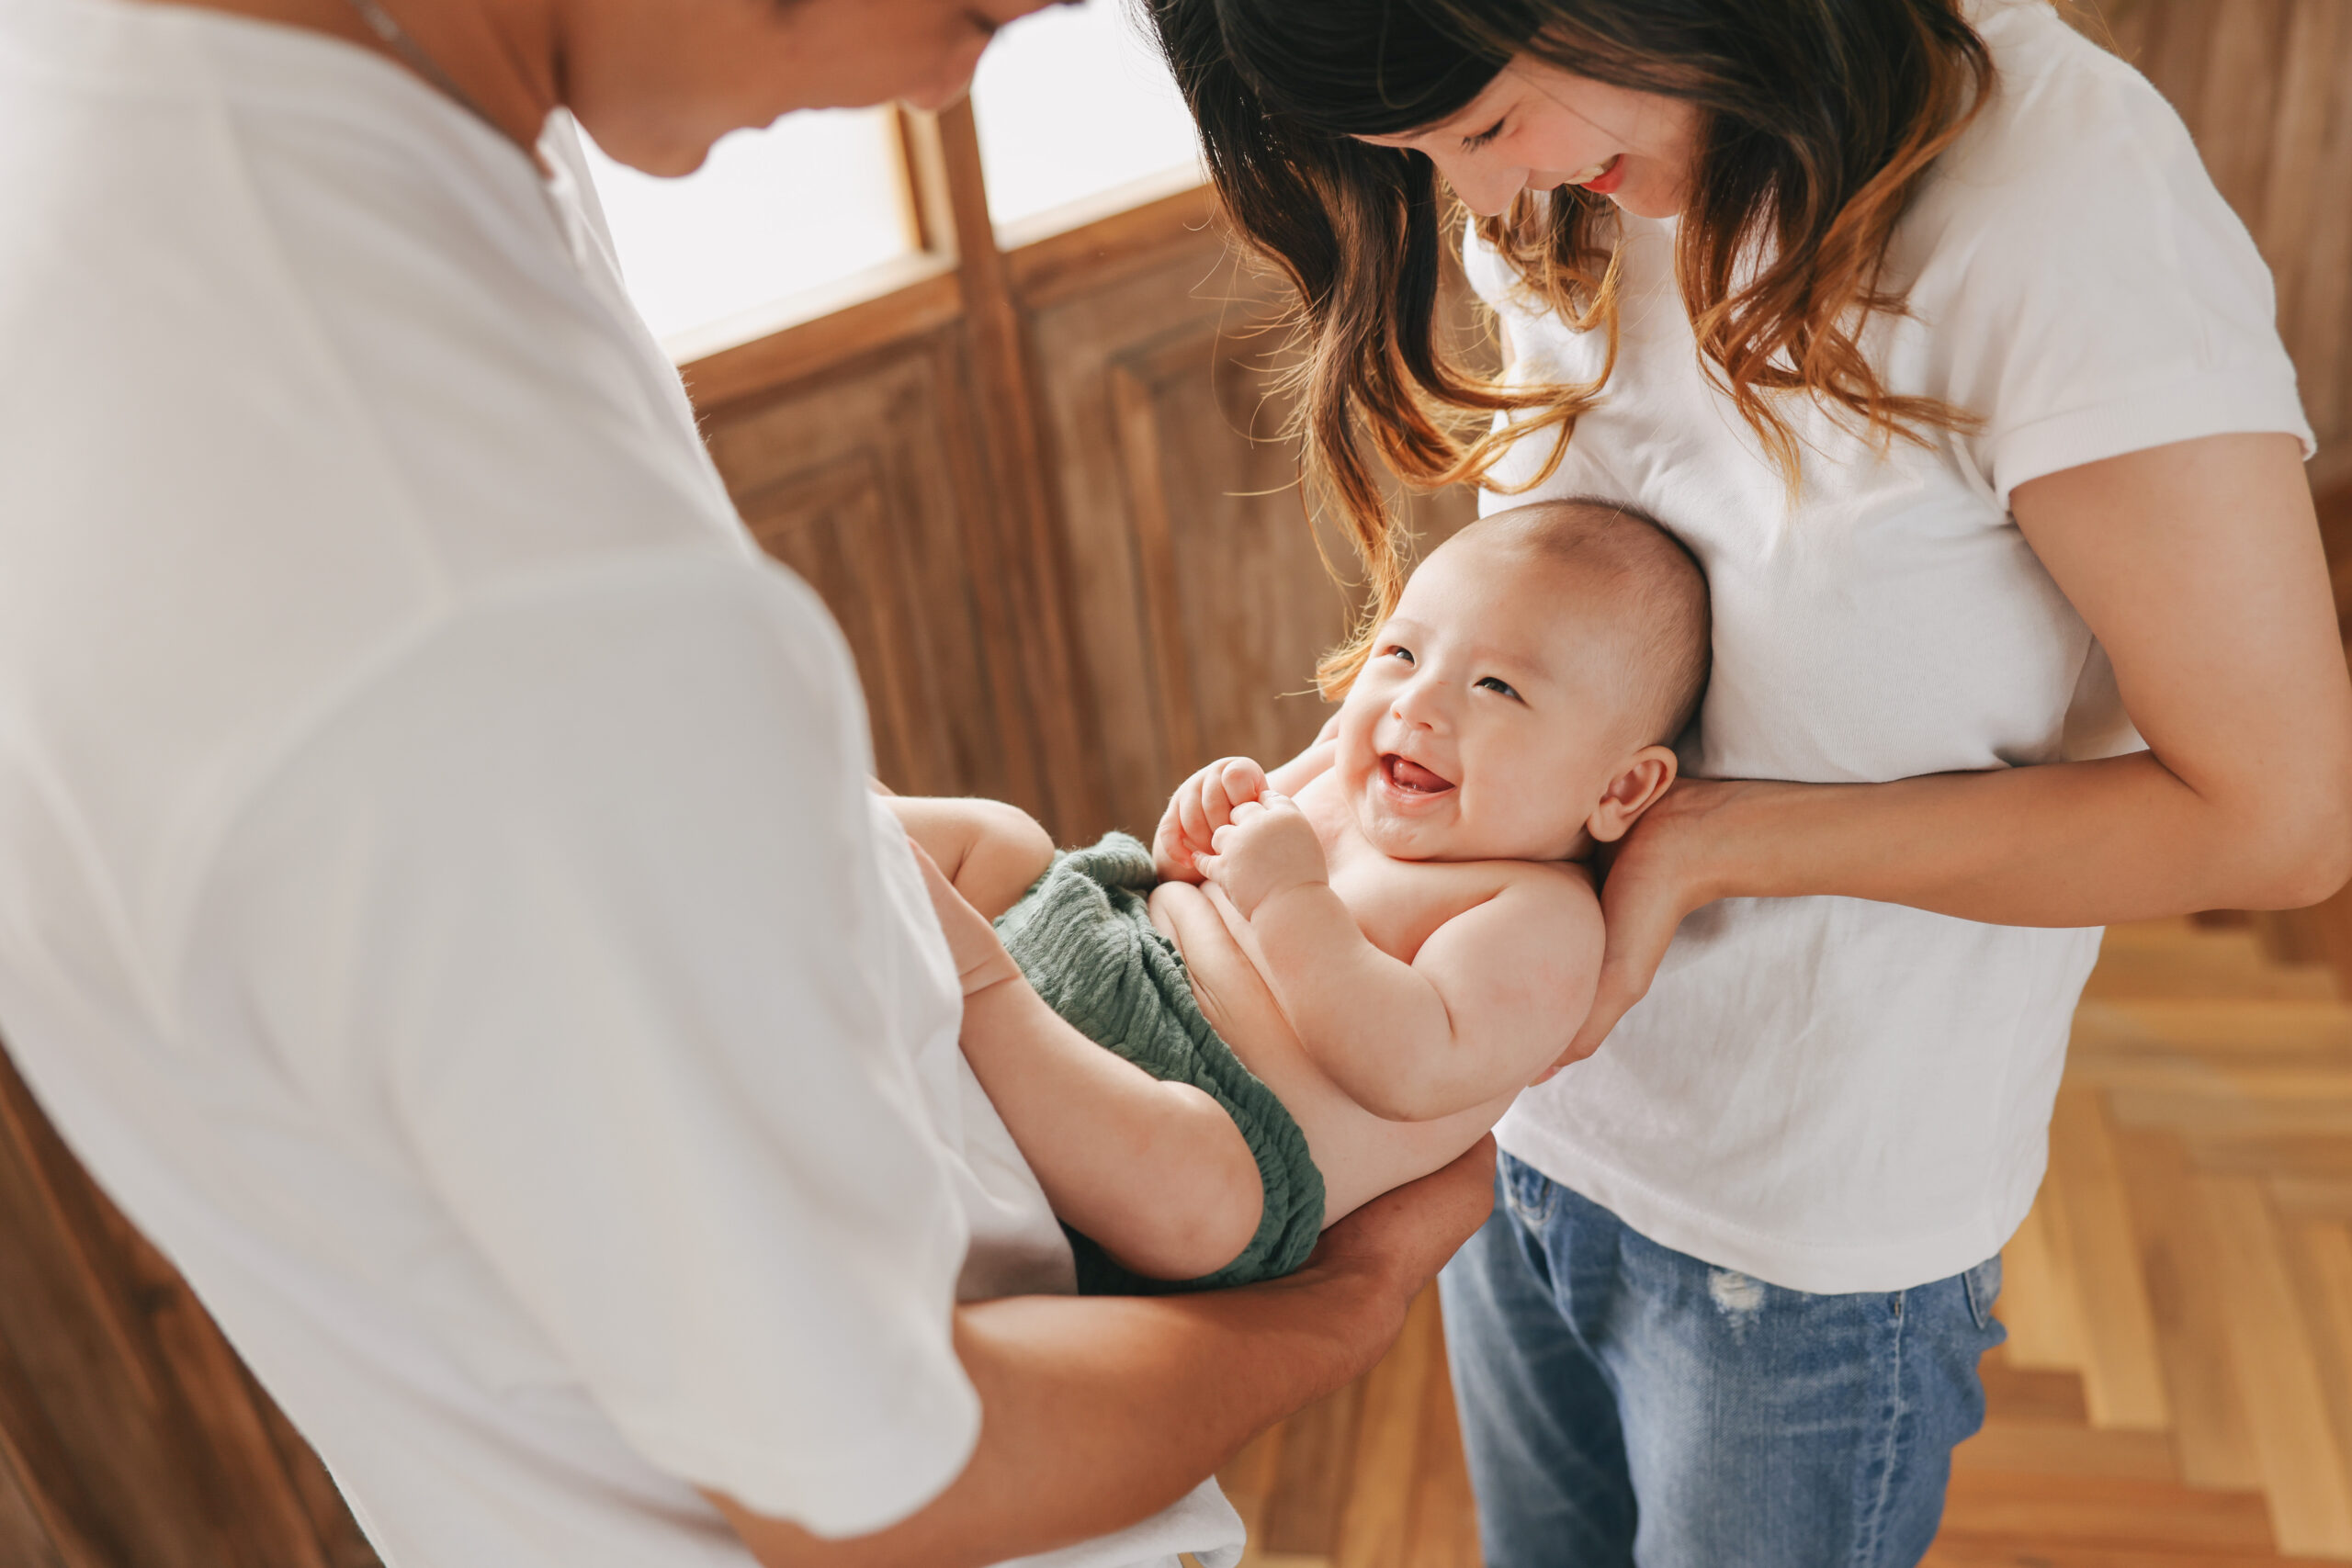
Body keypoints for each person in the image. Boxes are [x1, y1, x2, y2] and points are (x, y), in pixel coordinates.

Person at [0, 0, 1498, 1565]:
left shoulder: (215, 109)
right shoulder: (483, 593)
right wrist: (1343, 1302)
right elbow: (892, 1479)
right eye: (975, 8)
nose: (947, 79)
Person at [1148, 0, 2352, 1563]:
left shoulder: (2060, 209)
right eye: (1431, 157)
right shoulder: (1577, 160)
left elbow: (2278, 818)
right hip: (1501, 1126)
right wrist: (1339, 778)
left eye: (1489, 130)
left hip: (1795, 1244)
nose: (1490, 201)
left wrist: (1709, 846)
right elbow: (1568, 586)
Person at [896, 500, 1709, 1294]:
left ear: (1623, 785)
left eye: (1496, 686)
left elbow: (1410, 1066)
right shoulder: (1341, 769)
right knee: (1003, 840)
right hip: (1104, 938)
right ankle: (839, 821)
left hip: (1193, 1111)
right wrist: (1192, 832)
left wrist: (1289, 897)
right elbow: (1190, 867)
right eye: (1402, 653)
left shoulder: (1542, 918)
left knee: (1206, 1201)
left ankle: (978, 985)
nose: (1415, 703)